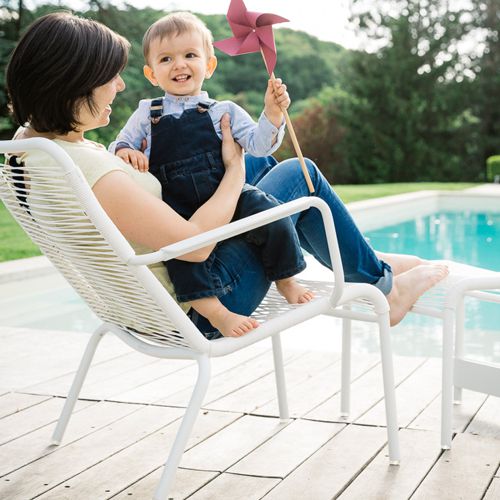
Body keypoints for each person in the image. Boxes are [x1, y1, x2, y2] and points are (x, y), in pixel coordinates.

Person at [6, 13, 448, 340]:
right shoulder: (92, 172)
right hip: (204, 299)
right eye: (109, 78)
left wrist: (250, 148)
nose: (120, 88)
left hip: (153, 295)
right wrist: (233, 169)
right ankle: (381, 287)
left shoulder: (33, 151)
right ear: (71, 84)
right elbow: (194, 248)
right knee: (297, 174)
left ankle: (364, 264)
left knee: (260, 163)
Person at [109, 12, 312, 336]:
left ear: (209, 64)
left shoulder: (224, 111)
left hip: (226, 194)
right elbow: (118, 145)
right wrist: (125, 151)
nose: (179, 65)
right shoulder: (147, 112)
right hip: (179, 207)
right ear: (151, 73)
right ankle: (216, 312)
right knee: (179, 256)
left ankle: (285, 277)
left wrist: (272, 114)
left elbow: (260, 146)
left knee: (271, 212)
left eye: (190, 55)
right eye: (166, 59)